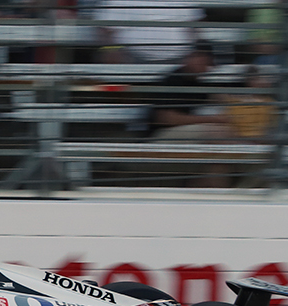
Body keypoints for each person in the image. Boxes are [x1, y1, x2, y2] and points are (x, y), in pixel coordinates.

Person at [146, 43, 238, 187]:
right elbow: (165, 118)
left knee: (219, 165)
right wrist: (215, 119)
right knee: (218, 131)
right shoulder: (173, 79)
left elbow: (226, 99)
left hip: (185, 141)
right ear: (196, 57)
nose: (209, 68)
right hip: (158, 140)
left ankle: (210, 201)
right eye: (207, 62)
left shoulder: (199, 83)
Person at [92, 0, 204, 64]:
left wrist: (195, 51)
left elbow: (195, 24)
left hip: (181, 58)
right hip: (131, 56)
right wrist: (111, 50)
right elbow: (105, 28)